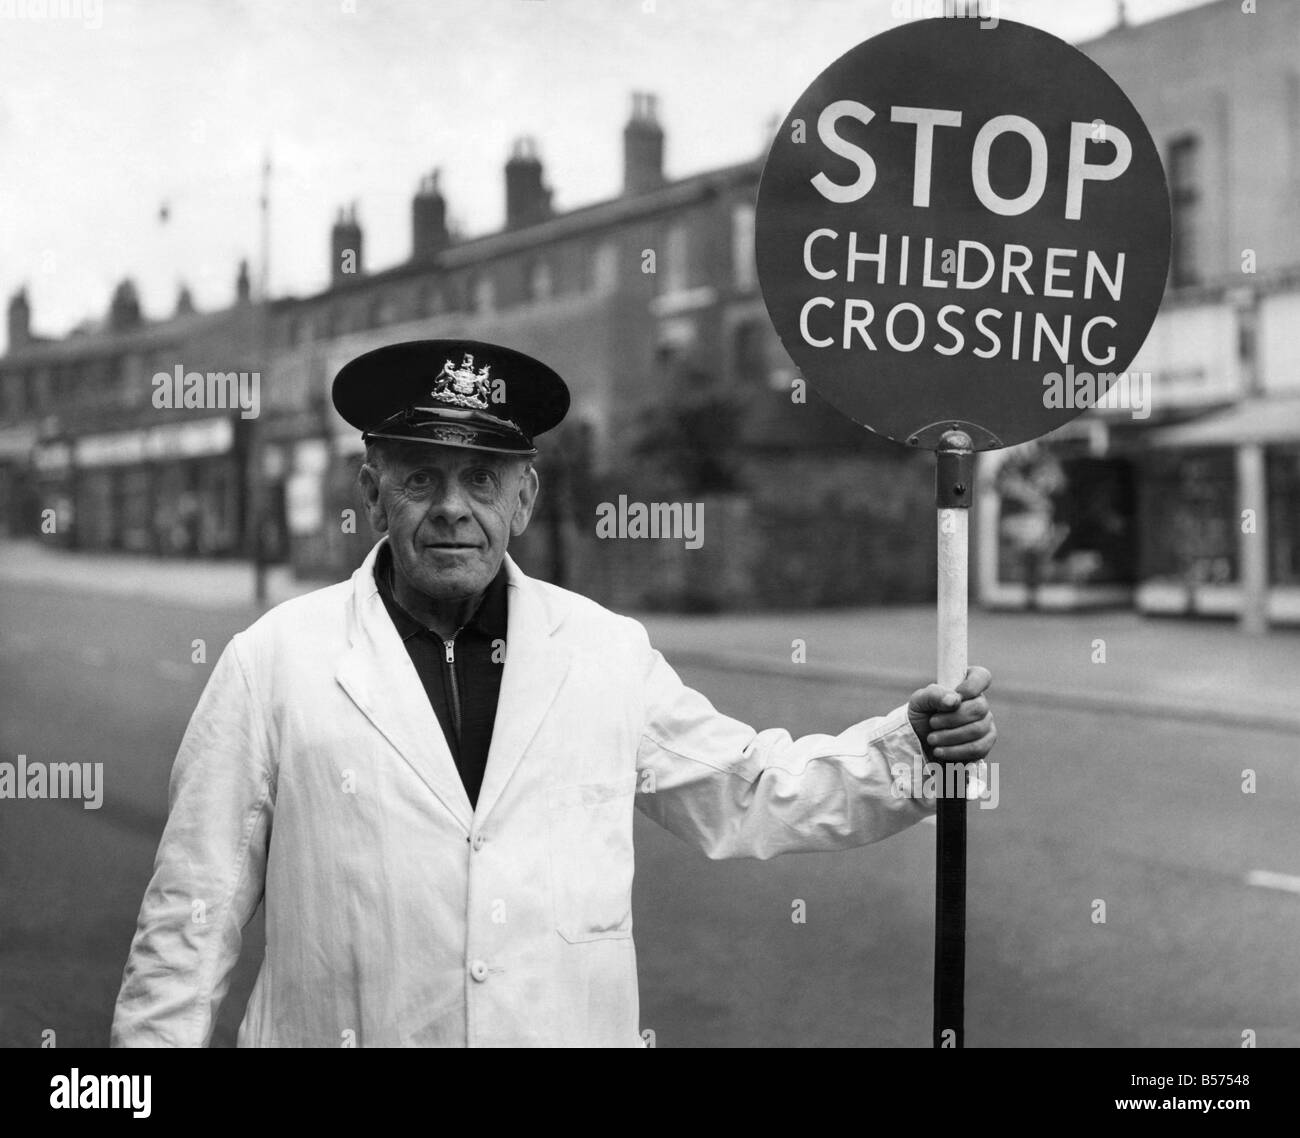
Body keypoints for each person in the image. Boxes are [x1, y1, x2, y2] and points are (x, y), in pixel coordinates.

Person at [111, 338, 997, 1048]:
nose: (453, 508)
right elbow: (192, 915)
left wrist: (908, 755)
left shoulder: (606, 653)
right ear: (372, 495)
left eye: (482, 479)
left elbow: (746, 790)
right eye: (421, 478)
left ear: (524, 497)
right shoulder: (275, 661)